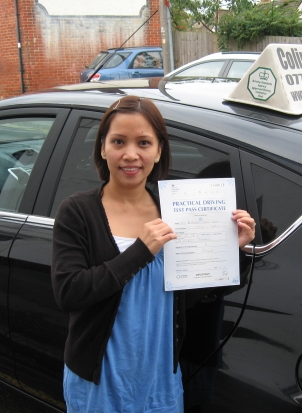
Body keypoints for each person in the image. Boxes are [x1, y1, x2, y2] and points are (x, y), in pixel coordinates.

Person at [51, 95, 256, 413]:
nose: (130, 154)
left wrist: (230, 250)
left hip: (159, 380)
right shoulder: (78, 210)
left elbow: (184, 297)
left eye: (143, 143)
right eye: (118, 141)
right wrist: (139, 252)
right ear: (103, 147)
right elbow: (69, 293)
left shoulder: (175, 207)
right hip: (99, 382)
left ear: (159, 150)